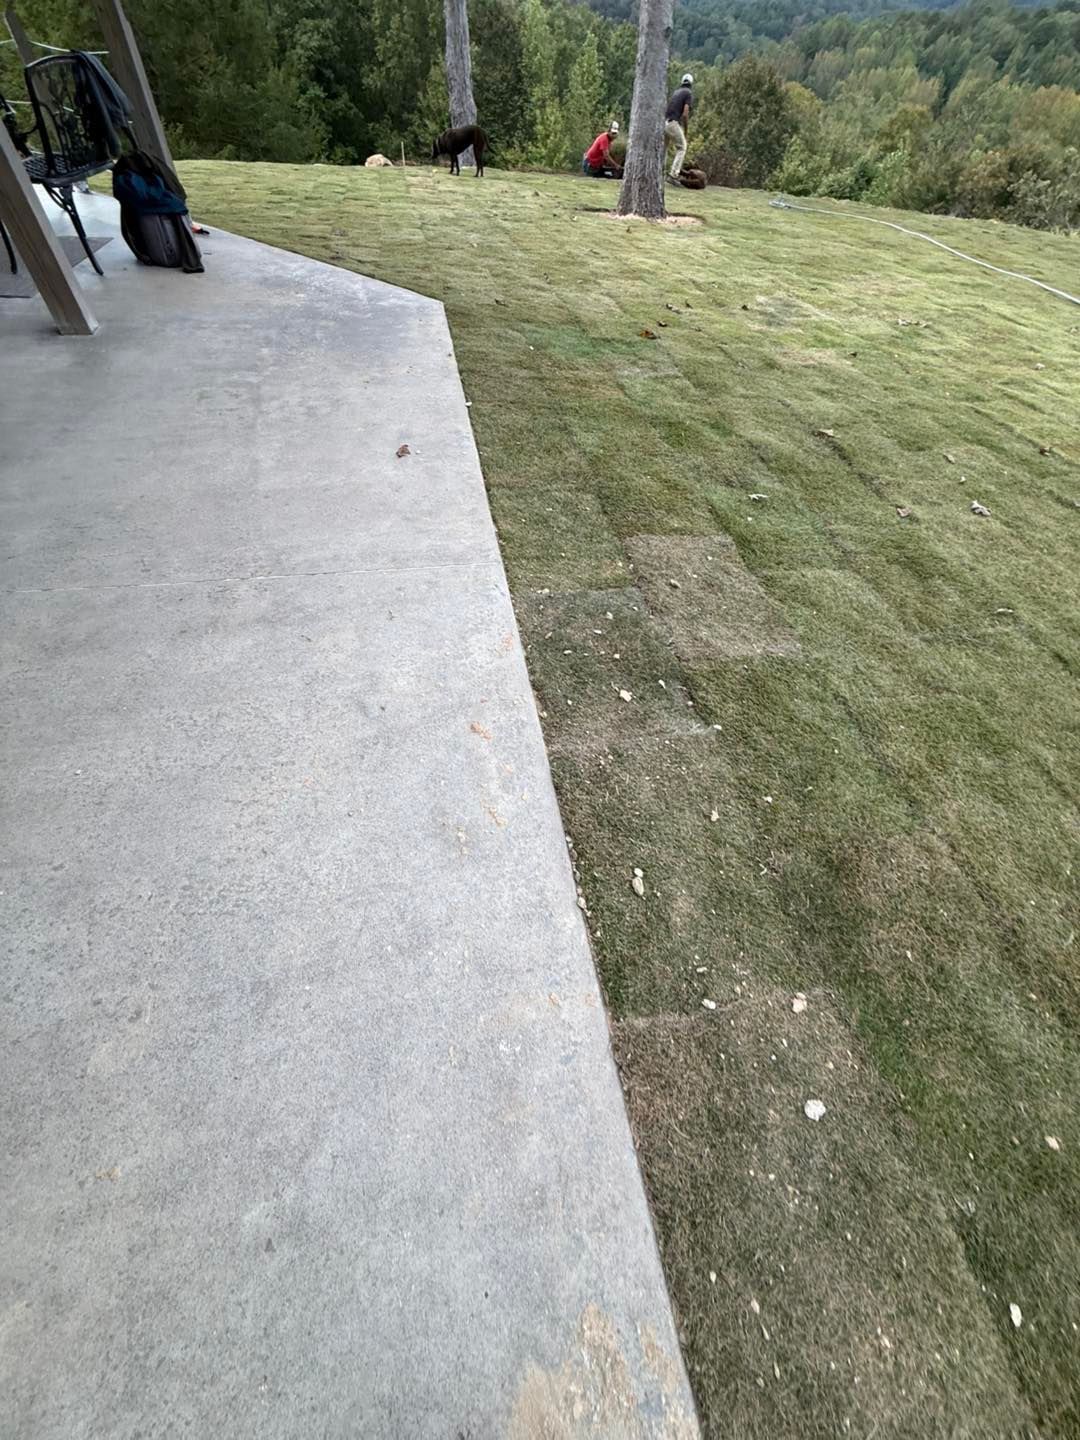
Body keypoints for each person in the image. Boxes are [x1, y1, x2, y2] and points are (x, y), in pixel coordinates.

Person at [665, 73, 693, 182]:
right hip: (673, 122)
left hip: (664, 122)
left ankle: (658, 171)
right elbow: (685, 114)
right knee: (682, 147)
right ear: (691, 83)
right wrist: (685, 131)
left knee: (664, 149)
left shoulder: (676, 92)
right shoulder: (688, 93)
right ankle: (673, 175)